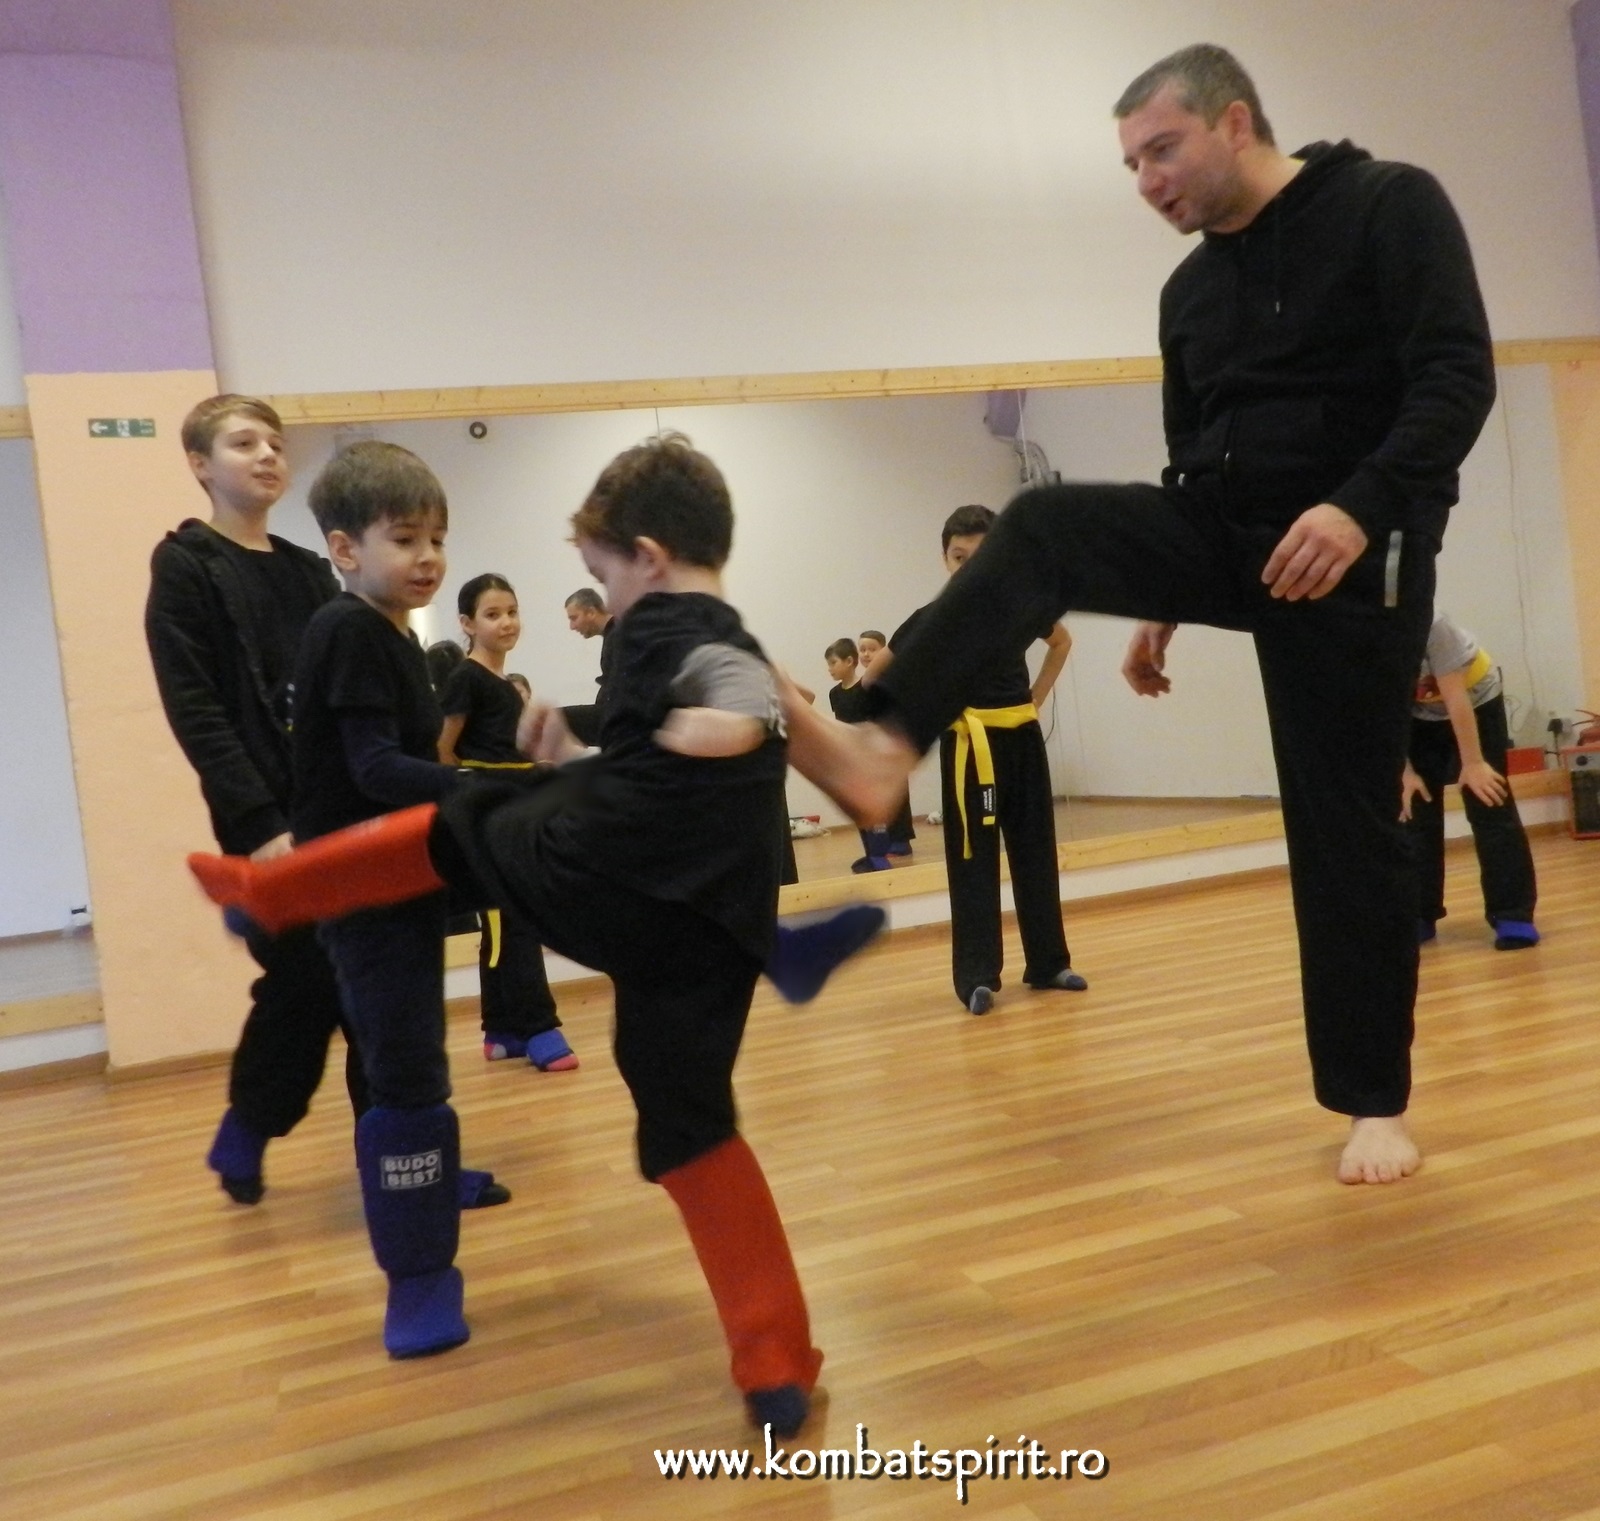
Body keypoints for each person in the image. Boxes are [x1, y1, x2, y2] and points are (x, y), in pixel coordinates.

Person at [784, 44, 1497, 1185]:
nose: (1147, 182)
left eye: (1162, 150)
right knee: (1042, 524)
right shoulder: (1188, 292)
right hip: (1230, 536)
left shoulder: (1385, 205)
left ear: (1234, 121)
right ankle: (883, 748)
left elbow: (1456, 380)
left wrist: (1359, 509)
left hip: (1358, 561)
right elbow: (1190, 460)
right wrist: (1162, 599)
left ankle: (1374, 1104)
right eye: (1131, 165)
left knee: (1344, 830)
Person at [189, 434, 887, 1434]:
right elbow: (749, 711)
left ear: (646, 558)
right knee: (689, 1128)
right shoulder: (371, 630)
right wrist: (592, 748)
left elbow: (732, 691)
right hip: (700, 935)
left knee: (473, 827)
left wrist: (709, 727)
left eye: (603, 576)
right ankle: (776, 1358)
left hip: (617, 889)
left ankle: (274, 894)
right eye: (409, 539)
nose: (602, 599)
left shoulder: (669, 622)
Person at [284, 439, 510, 1358]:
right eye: (405, 538)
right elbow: (376, 769)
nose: (428, 557)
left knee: (412, 1047)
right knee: (406, 1070)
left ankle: (431, 1178)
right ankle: (417, 1281)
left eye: (437, 539)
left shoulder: (392, 633)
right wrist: (483, 788)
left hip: (398, 875)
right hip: (361, 887)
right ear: (344, 548)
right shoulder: (347, 630)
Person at [146, 394, 367, 1205]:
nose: (268, 454)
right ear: (201, 464)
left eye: (275, 442)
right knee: (308, 979)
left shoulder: (310, 570)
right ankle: (249, 1123)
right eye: (244, 443)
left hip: (342, 812)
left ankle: (404, 1164)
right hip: (267, 823)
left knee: (374, 987)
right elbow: (197, 709)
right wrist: (261, 824)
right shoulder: (186, 566)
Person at [884, 507, 1083, 1014]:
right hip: (970, 747)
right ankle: (976, 976)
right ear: (945, 560)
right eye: (960, 557)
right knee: (973, 860)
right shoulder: (933, 618)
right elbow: (879, 675)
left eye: (982, 555)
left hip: (1022, 739)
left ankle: (1048, 963)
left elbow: (1061, 642)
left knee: (1036, 851)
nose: (970, 567)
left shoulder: (1023, 605)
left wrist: (1036, 697)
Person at [440, 574, 579, 1070]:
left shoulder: (505, 684)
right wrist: (470, 801)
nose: (506, 622)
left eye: (512, 612)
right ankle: (540, 1028)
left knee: (503, 925)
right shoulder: (466, 677)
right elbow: (443, 748)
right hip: (488, 817)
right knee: (515, 923)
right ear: (467, 623)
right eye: (493, 614)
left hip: (512, 812)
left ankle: (500, 1030)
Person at [1400, 613, 1538, 949]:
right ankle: (1418, 914)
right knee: (1413, 807)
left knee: (1488, 797)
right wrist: (1404, 773)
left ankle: (1513, 915)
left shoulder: (1434, 625)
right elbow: (1379, 713)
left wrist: (1474, 763)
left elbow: (1455, 698)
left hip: (1474, 702)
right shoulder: (1360, 638)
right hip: (1416, 715)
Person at [560, 586, 615, 745]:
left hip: (616, 718)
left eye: (574, 618)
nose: (572, 626)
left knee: (553, 720)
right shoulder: (615, 635)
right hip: (612, 716)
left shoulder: (619, 636)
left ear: (591, 612)